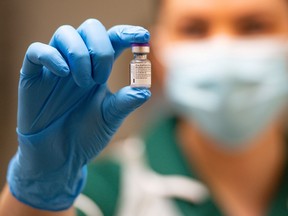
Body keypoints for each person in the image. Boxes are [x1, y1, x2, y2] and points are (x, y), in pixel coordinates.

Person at [1, 0, 288, 215]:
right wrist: (39, 193)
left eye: (254, 26)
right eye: (194, 29)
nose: (224, 50)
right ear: (159, 53)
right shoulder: (105, 189)